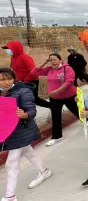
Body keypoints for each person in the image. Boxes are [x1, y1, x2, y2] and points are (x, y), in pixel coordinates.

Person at [0, 68, 52, 201]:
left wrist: (24, 114)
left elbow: (31, 110)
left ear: (14, 78)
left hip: (22, 130)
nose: (6, 82)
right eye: (2, 79)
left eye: (9, 79)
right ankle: (45, 172)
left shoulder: (22, 90)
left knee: (11, 163)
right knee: (29, 152)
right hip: (8, 132)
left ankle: (10, 196)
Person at [31, 54, 79, 146]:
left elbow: (69, 81)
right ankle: (57, 136)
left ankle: (87, 119)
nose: (53, 62)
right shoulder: (49, 69)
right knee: (55, 117)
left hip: (68, 95)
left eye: (55, 59)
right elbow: (34, 72)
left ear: (60, 60)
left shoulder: (67, 68)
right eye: (51, 60)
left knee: (76, 110)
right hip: (55, 98)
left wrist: (58, 90)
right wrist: (45, 62)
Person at [2, 41, 50, 109]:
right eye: (6, 49)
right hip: (20, 82)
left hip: (31, 81)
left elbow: (33, 72)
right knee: (23, 99)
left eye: (9, 49)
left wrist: (24, 80)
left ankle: (53, 106)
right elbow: (13, 70)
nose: (7, 51)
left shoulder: (25, 58)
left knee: (34, 99)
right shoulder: (13, 58)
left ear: (15, 48)